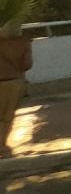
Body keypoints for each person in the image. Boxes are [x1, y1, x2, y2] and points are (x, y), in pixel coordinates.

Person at [0, 23, 33, 159]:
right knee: (7, 117)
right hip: (13, 82)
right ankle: (2, 144)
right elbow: (27, 65)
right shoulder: (23, 44)